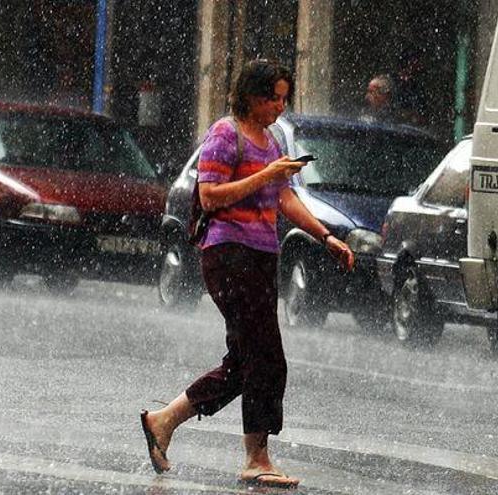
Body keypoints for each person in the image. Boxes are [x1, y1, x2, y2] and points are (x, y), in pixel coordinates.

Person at [139, 59, 354, 490]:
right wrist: (265, 175)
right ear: (251, 96)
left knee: (246, 360)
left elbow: (285, 200)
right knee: (266, 358)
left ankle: (164, 421)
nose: (278, 106)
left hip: (260, 255)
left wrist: (325, 236)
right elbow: (211, 196)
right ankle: (256, 457)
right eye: (272, 97)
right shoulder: (225, 134)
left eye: (282, 98)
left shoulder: (272, 140)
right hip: (228, 254)